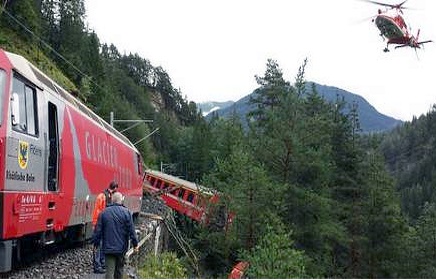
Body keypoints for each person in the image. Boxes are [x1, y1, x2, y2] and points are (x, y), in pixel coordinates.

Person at [92, 191, 139, 279]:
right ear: (121, 200)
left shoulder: (104, 213)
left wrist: (96, 244)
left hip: (108, 248)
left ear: (112, 200)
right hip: (121, 249)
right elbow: (132, 231)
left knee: (109, 272)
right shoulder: (127, 213)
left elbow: (97, 231)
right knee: (119, 271)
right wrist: (135, 245)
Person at [91, 181, 119, 273]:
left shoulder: (105, 196)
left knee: (103, 245)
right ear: (114, 188)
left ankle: (101, 263)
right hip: (100, 225)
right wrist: (95, 225)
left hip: (103, 225)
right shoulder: (102, 197)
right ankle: (97, 266)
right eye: (116, 190)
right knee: (98, 245)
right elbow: (97, 212)